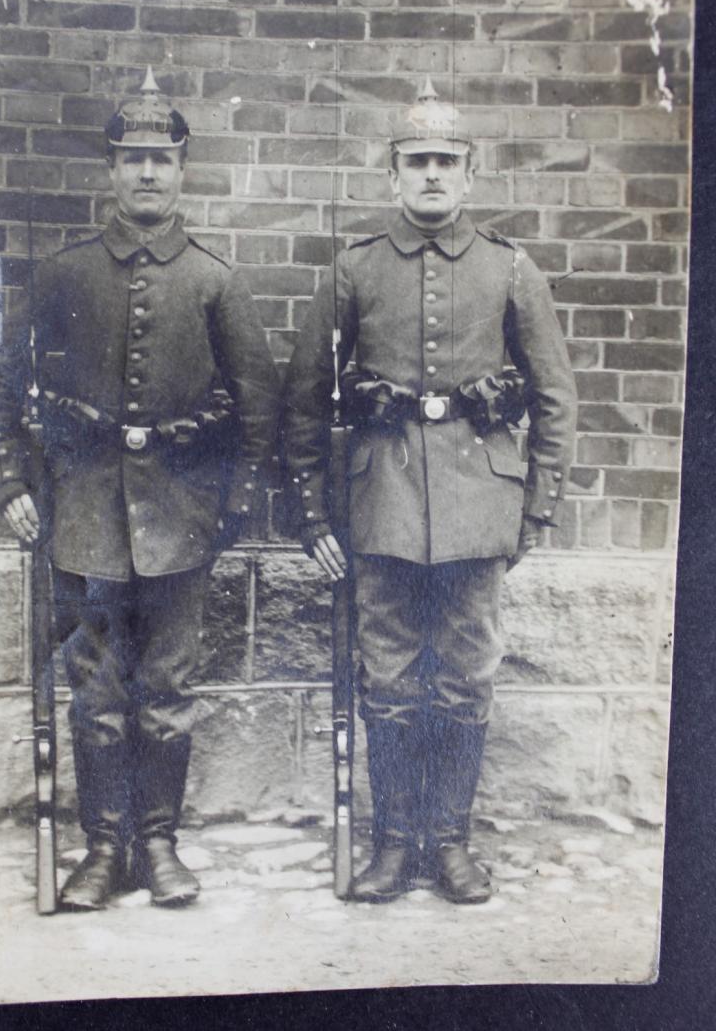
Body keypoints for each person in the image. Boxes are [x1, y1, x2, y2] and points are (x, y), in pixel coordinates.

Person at [0, 68, 280, 912]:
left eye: (163, 159)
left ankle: (159, 841)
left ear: (184, 170)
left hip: (181, 520)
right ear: (111, 170)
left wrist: (233, 502)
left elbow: (259, 404)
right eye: (133, 158)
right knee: (100, 691)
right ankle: (104, 848)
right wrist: (7, 482)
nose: (148, 174)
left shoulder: (215, 281)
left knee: (170, 691)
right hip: (82, 518)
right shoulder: (62, 275)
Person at [282, 79, 577, 904]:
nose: (434, 176)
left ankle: (449, 842)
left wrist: (538, 506)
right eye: (418, 162)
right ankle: (391, 843)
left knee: (464, 675)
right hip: (381, 506)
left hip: (482, 504)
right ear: (393, 176)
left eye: (448, 160)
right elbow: (305, 398)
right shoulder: (353, 270)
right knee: (388, 673)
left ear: (471, 174)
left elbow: (556, 394)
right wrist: (313, 515)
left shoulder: (511, 270)